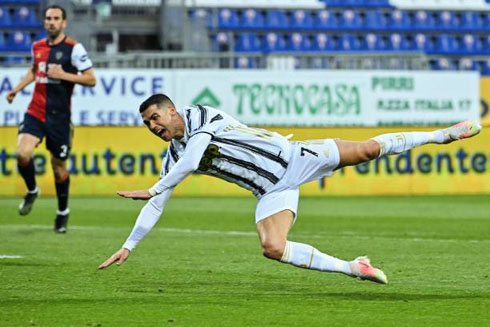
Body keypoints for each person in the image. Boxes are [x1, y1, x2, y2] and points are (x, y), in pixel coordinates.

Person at [98, 94, 481, 283]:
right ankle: (354, 268)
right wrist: (130, 244)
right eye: (147, 124)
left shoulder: (200, 115)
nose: (153, 127)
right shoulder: (172, 158)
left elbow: (195, 152)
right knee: (272, 248)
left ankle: (440, 135)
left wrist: (155, 186)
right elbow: (157, 204)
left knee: (366, 149)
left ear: (172, 111)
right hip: (271, 191)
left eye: (154, 118)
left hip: (295, 157)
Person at [6, 5, 96, 233]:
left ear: (64, 22)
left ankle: (62, 211)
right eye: (48, 18)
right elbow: (35, 71)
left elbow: (91, 79)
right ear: (44, 22)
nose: (51, 22)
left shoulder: (74, 49)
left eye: (56, 18)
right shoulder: (37, 46)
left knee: (58, 167)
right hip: (35, 111)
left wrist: (63, 75)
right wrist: (16, 89)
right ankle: (32, 190)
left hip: (59, 118)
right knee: (22, 153)